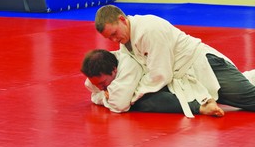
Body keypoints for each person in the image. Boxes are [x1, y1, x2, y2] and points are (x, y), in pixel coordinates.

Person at [94, 4, 255, 118]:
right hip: (181, 78)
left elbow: (161, 75)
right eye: (110, 38)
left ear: (122, 19)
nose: (115, 40)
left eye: (114, 33)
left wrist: (130, 95)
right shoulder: (125, 43)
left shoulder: (149, 30)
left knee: (250, 100)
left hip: (204, 66)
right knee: (144, 102)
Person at [81, 49, 233, 117]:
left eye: (103, 83)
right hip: (153, 83)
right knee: (138, 102)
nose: (101, 88)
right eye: (98, 85)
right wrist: (105, 94)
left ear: (114, 70)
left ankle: (199, 107)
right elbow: (94, 95)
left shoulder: (128, 65)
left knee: (144, 102)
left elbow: (120, 105)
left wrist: (106, 97)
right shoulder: (96, 75)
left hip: (174, 75)